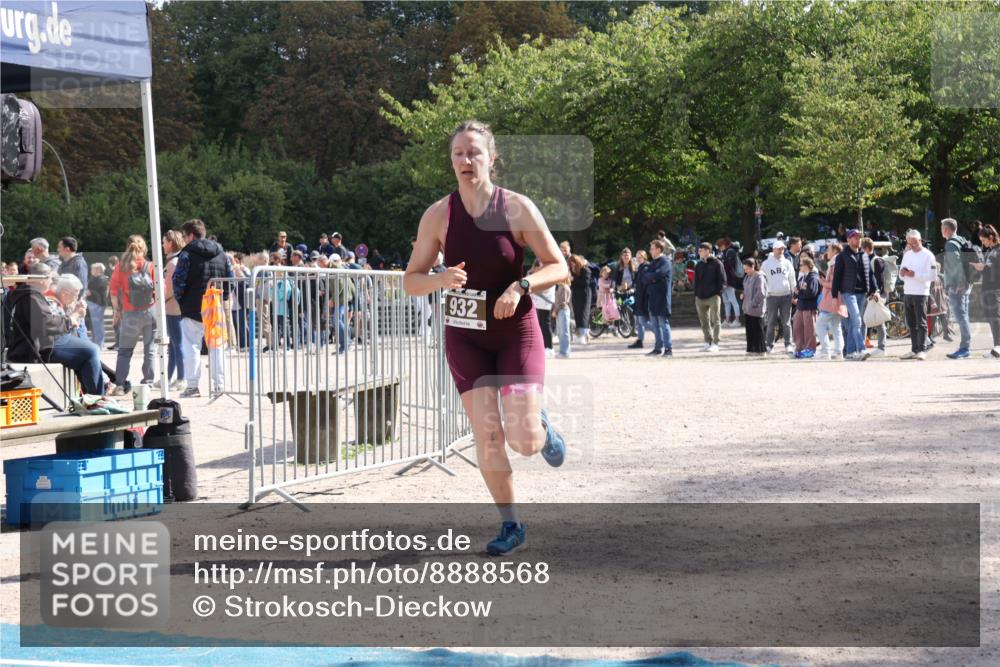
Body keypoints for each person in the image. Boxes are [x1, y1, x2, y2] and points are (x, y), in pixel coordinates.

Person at [403, 119, 568, 555]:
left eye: (473, 152)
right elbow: (410, 280)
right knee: (489, 436)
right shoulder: (439, 215)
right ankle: (511, 525)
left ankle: (542, 428)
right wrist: (439, 279)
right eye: (458, 153)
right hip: (466, 337)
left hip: (515, 332)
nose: (465, 160)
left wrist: (521, 286)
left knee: (523, 441)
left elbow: (558, 265)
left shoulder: (516, 209)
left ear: (491, 158)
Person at [5, 264, 105, 396]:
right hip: (38, 347)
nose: (52, 282)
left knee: (89, 351)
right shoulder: (30, 296)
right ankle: (97, 399)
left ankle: (91, 397)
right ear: (42, 279)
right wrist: (70, 320)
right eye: (51, 279)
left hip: (35, 343)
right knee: (91, 351)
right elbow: (45, 323)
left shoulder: (20, 294)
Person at [173, 219, 234, 398]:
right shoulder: (222, 253)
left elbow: (178, 281)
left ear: (191, 235)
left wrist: (181, 300)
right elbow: (230, 280)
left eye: (184, 236)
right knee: (217, 346)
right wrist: (223, 297)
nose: (183, 239)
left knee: (191, 346)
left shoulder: (186, 254)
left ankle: (193, 386)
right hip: (214, 305)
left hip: (192, 307)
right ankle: (219, 386)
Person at [108, 235, 157, 395]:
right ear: (144, 248)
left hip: (130, 314)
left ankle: (120, 385)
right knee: (150, 349)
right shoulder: (151, 266)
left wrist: (117, 311)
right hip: (150, 312)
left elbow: (114, 291)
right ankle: (148, 383)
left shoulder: (121, 267)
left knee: (124, 351)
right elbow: (159, 289)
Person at [831, 229, 874, 360]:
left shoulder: (864, 255)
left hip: (862, 293)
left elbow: (870, 275)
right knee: (857, 320)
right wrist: (834, 296)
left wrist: (874, 290)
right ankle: (861, 349)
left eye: (860, 237)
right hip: (848, 293)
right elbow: (836, 277)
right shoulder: (842, 256)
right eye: (855, 237)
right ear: (849, 240)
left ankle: (850, 352)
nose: (858, 240)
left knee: (853, 323)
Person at [898, 229, 936, 360]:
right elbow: (901, 273)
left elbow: (932, 276)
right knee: (911, 323)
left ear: (920, 241)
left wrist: (915, 275)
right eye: (909, 243)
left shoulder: (928, 255)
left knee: (921, 322)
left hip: (921, 292)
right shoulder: (907, 254)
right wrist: (902, 273)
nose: (912, 246)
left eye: (914, 243)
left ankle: (922, 349)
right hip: (908, 291)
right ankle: (914, 349)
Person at [940, 218, 974, 359]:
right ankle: (965, 346)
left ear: (947, 229)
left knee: (961, 316)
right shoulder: (961, 240)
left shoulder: (951, 245)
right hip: (967, 283)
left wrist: (960, 282)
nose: (941, 230)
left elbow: (956, 263)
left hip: (957, 285)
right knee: (963, 315)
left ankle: (965, 348)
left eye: (942, 228)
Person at [162, 230, 187, 391]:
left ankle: (181, 378)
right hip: (173, 307)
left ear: (171, 243)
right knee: (172, 344)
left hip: (172, 308)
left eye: (164, 242)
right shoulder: (175, 261)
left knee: (177, 344)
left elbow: (168, 288)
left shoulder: (172, 263)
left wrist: (159, 300)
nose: (163, 245)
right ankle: (169, 377)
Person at [761, 240, 795, 354]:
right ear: (773, 249)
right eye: (779, 249)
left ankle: (788, 344)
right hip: (771, 296)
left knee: (786, 322)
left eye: (782, 249)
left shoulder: (787, 263)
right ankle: (770, 345)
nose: (781, 251)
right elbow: (762, 279)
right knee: (771, 322)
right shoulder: (766, 264)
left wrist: (794, 291)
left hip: (786, 295)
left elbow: (792, 278)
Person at [971, 224, 1000, 358]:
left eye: (984, 240)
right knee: (990, 317)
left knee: (995, 317)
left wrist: (984, 267)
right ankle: (996, 347)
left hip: (996, 289)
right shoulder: (990, 250)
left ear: (991, 237)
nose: (982, 243)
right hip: (987, 287)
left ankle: (998, 347)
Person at [816, 242, 847, 361]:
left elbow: (835, 283)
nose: (827, 252)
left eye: (828, 249)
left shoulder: (835, 263)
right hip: (838, 299)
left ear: (834, 250)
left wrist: (823, 283)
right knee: (836, 326)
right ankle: (838, 352)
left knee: (820, 324)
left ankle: (825, 351)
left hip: (833, 298)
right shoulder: (837, 262)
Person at [642, 239, 673, 357]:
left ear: (659, 249)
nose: (650, 251)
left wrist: (652, 277)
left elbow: (659, 274)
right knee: (655, 325)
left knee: (663, 324)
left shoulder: (665, 261)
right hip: (653, 298)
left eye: (652, 248)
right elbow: (645, 277)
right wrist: (652, 277)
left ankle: (668, 349)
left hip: (662, 298)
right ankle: (657, 348)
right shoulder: (652, 263)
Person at [692, 242, 725, 351]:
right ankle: (708, 341)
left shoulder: (717, 263)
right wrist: (696, 293)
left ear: (707, 250)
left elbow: (722, 280)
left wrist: (718, 293)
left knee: (715, 320)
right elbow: (695, 281)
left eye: (700, 250)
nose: (699, 252)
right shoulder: (698, 264)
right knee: (704, 322)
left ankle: (715, 343)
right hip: (700, 297)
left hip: (713, 296)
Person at [861, 237, 888, 356]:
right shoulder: (865, 260)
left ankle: (882, 348)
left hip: (876, 295)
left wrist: (876, 293)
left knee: (879, 320)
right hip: (868, 295)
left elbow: (880, 280)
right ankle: (863, 345)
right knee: (865, 319)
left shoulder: (876, 261)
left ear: (866, 248)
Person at [792, 256, 820, 358]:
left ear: (808, 266)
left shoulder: (813, 277)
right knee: (797, 328)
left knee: (810, 329)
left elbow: (812, 293)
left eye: (801, 265)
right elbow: (797, 289)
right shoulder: (803, 277)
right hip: (801, 307)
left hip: (809, 307)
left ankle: (810, 349)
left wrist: (799, 293)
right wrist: (797, 292)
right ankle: (800, 348)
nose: (799, 267)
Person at [741, 258, 767, 355]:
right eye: (744, 269)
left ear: (753, 267)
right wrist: (743, 295)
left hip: (756, 308)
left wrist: (753, 304)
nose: (745, 271)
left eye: (747, 269)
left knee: (758, 330)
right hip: (747, 308)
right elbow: (746, 289)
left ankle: (761, 350)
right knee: (750, 330)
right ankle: (751, 349)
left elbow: (761, 293)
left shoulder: (759, 277)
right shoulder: (747, 277)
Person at [529, 259, 555, 358]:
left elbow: (546, 288)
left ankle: (549, 347)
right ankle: (543, 347)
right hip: (536, 303)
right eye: (536, 267)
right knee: (539, 325)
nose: (538, 269)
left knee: (545, 324)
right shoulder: (533, 274)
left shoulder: (548, 274)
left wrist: (534, 287)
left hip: (545, 303)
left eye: (540, 267)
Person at [718, 237, 742, 327]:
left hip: (729, 281)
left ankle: (737, 320)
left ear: (724, 245)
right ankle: (727, 320)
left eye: (720, 246)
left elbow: (729, 269)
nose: (719, 248)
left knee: (732, 300)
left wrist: (725, 281)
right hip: (725, 281)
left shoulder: (729, 252)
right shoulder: (726, 252)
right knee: (726, 301)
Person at [628, 250, 650, 349]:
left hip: (643, 298)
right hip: (639, 297)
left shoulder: (645, 267)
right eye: (636, 257)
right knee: (639, 322)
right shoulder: (640, 268)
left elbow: (645, 284)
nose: (637, 259)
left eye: (639, 257)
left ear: (644, 257)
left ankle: (660, 333)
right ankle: (640, 341)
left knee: (643, 322)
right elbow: (638, 283)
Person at [568, 254, 592, 344]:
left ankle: (584, 335)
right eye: (570, 264)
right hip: (576, 295)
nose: (572, 265)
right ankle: (580, 335)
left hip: (585, 295)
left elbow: (585, 282)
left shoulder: (585, 270)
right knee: (577, 314)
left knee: (583, 314)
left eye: (573, 263)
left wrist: (573, 279)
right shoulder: (573, 271)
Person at [85, 263, 109, 348]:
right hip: (94, 304)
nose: (91, 271)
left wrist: (88, 291)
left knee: (97, 326)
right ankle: (96, 343)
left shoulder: (101, 279)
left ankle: (99, 344)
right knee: (95, 326)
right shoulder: (96, 279)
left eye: (92, 269)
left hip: (97, 304)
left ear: (98, 270)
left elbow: (92, 291)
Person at [552, 275, 572, 358]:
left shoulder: (564, 287)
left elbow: (563, 302)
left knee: (564, 332)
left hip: (563, 310)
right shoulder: (561, 286)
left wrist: (555, 310)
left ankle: (565, 352)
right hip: (560, 310)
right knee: (561, 332)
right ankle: (563, 351)